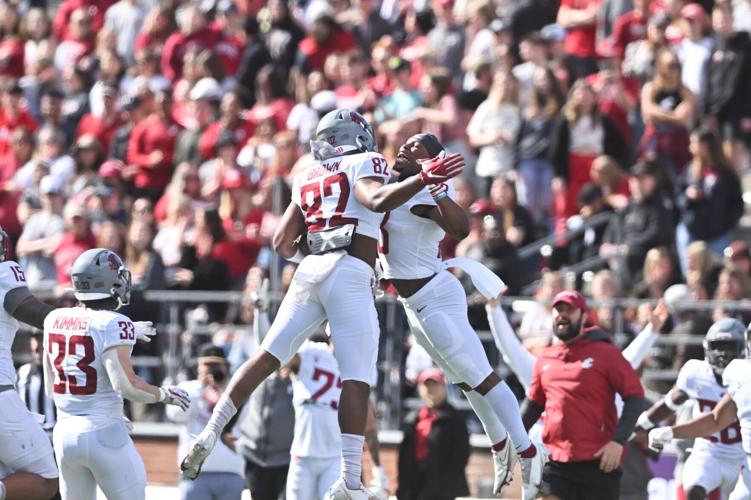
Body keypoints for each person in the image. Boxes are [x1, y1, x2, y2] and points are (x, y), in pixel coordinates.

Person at [181, 108, 465, 500]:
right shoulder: (366, 161)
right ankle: (350, 478)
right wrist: (424, 176)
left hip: (309, 269)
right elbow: (377, 198)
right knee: (357, 377)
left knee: (266, 356)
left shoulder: (306, 175)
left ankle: (212, 428)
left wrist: (317, 246)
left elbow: (282, 244)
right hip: (350, 269)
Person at [378, 132, 546, 496]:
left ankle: (528, 450)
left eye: (416, 147)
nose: (405, 148)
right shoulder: (395, 186)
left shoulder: (424, 190)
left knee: (481, 378)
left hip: (434, 298)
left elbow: (459, 227)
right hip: (415, 303)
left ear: (431, 161)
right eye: (406, 144)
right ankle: (500, 445)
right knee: (466, 383)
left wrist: (436, 186)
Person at [43, 248, 190, 500]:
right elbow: (126, 385)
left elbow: (51, 386)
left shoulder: (54, 318)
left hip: (64, 433)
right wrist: (164, 394)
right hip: (104, 433)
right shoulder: (114, 322)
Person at [520, 290, 646, 500]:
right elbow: (534, 404)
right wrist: (510, 440)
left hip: (598, 462)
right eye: (558, 309)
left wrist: (618, 441)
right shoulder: (545, 358)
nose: (563, 314)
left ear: (584, 316)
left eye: (569, 310)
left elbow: (635, 397)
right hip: (557, 460)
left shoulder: (605, 353)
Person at [636, 318, 746, 500]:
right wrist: (643, 423)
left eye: (729, 346)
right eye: (718, 346)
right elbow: (671, 402)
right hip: (710, 452)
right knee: (693, 490)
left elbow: (715, 420)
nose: (722, 354)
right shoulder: (696, 372)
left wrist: (668, 432)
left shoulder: (745, 378)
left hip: (744, 458)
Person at [165, 344, 245, 500]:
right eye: (207, 364)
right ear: (197, 366)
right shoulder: (188, 388)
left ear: (226, 367)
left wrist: (224, 388)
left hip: (231, 470)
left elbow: (246, 419)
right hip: (195, 472)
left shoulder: (235, 390)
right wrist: (200, 388)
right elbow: (174, 415)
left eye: (216, 364)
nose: (211, 369)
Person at [396, 367, 470, 500]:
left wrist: (447, 483)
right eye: (426, 385)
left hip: (441, 489)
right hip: (414, 486)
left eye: (435, 384)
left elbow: (461, 453)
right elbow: (404, 456)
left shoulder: (454, 419)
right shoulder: (413, 418)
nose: (431, 389)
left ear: (444, 386)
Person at [284, 336, 343, 500]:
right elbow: (275, 350)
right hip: (303, 454)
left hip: (336, 455)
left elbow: (367, 414)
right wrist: (260, 314)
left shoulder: (358, 358)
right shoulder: (311, 351)